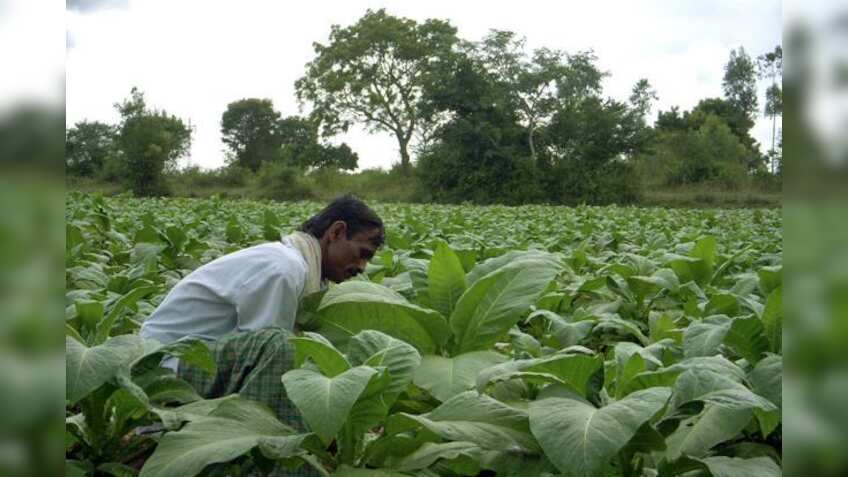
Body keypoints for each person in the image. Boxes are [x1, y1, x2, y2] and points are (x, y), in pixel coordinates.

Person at [139, 194, 384, 432]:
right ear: (336, 232)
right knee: (281, 349)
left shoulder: (302, 268)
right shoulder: (286, 268)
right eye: (362, 254)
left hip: (194, 361)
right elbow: (268, 356)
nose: (362, 268)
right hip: (164, 371)